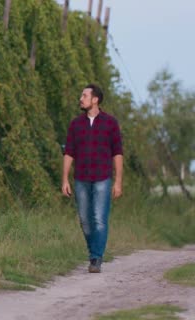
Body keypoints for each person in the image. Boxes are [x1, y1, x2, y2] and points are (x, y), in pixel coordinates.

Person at [62, 84, 123, 273]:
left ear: (95, 99)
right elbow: (69, 153)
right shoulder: (75, 124)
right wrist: (64, 179)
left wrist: (118, 181)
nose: (81, 98)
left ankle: (96, 258)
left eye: (85, 95)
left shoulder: (110, 123)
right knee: (85, 220)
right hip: (81, 178)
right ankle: (93, 253)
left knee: (99, 219)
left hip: (103, 178)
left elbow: (118, 153)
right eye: (82, 95)